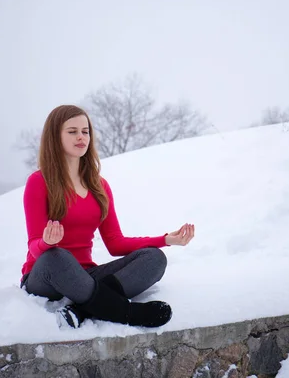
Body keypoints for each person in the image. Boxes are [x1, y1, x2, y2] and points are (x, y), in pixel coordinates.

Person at [20, 104, 195, 329]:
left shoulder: (99, 186)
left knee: (154, 259)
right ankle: (125, 312)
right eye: (72, 131)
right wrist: (46, 243)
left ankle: (81, 309)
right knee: (57, 256)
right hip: (45, 276)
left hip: (87, 276)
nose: (81, 137)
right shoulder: (39, 182)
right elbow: (34, 246)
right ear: (55, 136)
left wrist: (166, 240)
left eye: (85, 131)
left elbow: (115, 243)